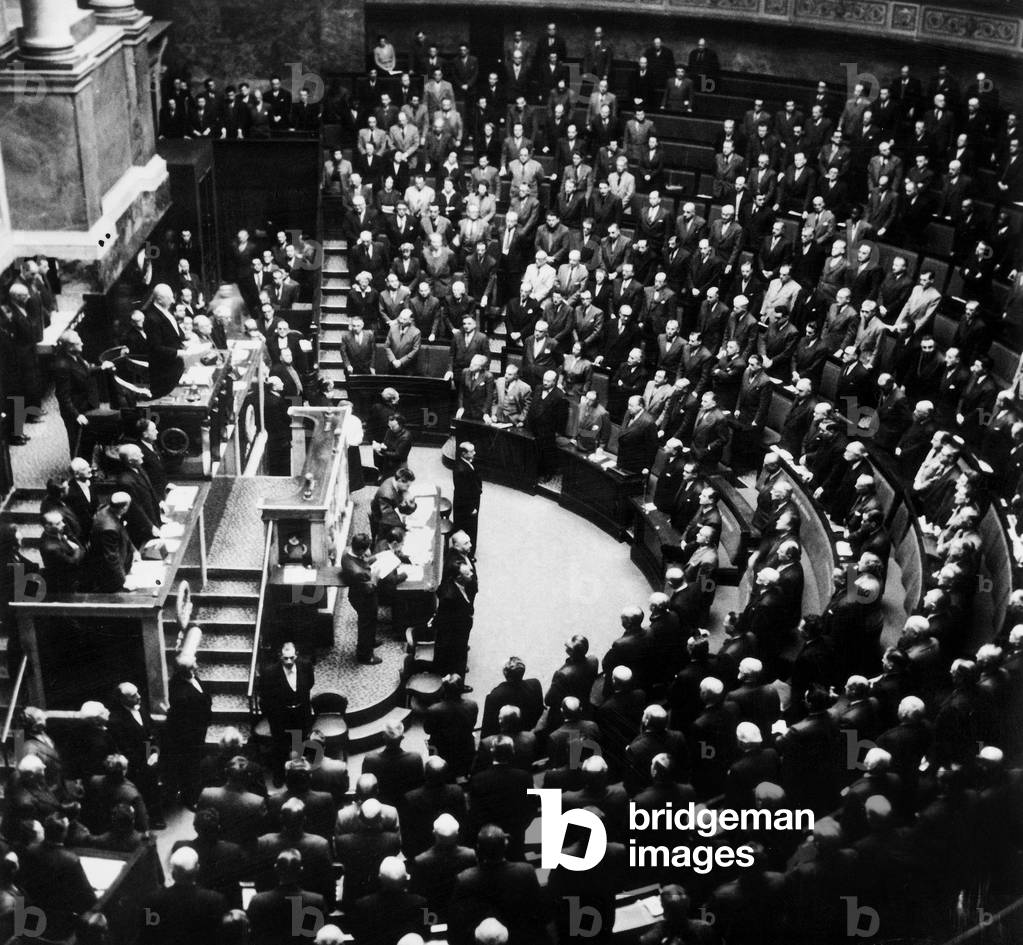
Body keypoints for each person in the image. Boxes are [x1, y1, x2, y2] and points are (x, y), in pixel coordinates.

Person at [51, 330, 114, 459]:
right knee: (77, 443)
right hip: (76, 410)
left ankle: (88, 464)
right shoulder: (62, 365)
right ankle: (78, 469)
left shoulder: (75, 357)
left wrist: (101, 367)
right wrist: (76, 415)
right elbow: (63, 395)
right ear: (69, 346)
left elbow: (84, 371)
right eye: (78, 342)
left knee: (88, 438)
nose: (82, 343)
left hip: (86, 404)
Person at [164, 651, 212, 810]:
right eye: (194, 665)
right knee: (190, 766)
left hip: (199, 729)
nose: (197, 666)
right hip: (189, 736)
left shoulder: (192, 677)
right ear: (186, 670)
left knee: (195, 764)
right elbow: (184, 719)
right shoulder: (180, 692)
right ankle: (190, 798)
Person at [259, 642, 315, 777]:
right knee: (280, 747)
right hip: (281, 717)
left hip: (300, 714)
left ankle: (298, 774)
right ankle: (279, 775)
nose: (289, 661)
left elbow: (309, 683)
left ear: (297, 655)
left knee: (298, 744)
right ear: (280, 656)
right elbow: (265, 696)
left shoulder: (305, 665)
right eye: (285, 658)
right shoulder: (269, 673)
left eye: (292, 657)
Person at [342, 533, 381, 665]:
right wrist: (375, 576)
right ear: (360, 550)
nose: (367, 554)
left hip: (358, 594)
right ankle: (365, 655)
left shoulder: (347, 551)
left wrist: (374, 559)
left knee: (371, 620)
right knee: (366, 625)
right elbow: (370, 587)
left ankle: (371, 641)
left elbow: (362, 561)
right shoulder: (358, 573)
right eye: (365, 551)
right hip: (364, 599)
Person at [86, 492, 136, 592]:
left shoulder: (107, 510)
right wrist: (123, 581)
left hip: (120, 566)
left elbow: (123, 532)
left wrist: (133, 550)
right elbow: (111, 558)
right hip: (110, 578)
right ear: (124, 508)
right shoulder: (109, 529)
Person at [526, 369, 568, 481]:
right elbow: (532, 405)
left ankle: (547, 474)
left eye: (548, 381)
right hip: (533, 426)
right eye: (544, 380)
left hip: (547, 430)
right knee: (533, 451)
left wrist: (556, 431)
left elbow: (561, 417)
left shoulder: (559, 395)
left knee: (546, 453)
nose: (545, 382)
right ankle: (533, 472)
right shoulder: (538, 388)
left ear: (554, 382)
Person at [452, 441, 483, 550]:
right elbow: (463, 493)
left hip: (470, 501)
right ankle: (468, 552)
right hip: (466, 506)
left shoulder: (466, 462)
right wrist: (471, 508)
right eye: (471, 451)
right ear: (464, 454)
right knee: (468, 528)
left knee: (469, 527)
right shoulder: (461, 470)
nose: (474, 453)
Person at [373, 413, 413, 480]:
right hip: (388, 461)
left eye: (393, 426)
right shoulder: (389, 431)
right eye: (389, 426)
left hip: (399, 464)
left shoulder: (406, 436)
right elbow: (385, 443)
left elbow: (399, 455)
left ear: (401, 425)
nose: (391, 428)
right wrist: (381, 446)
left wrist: (383, 452)